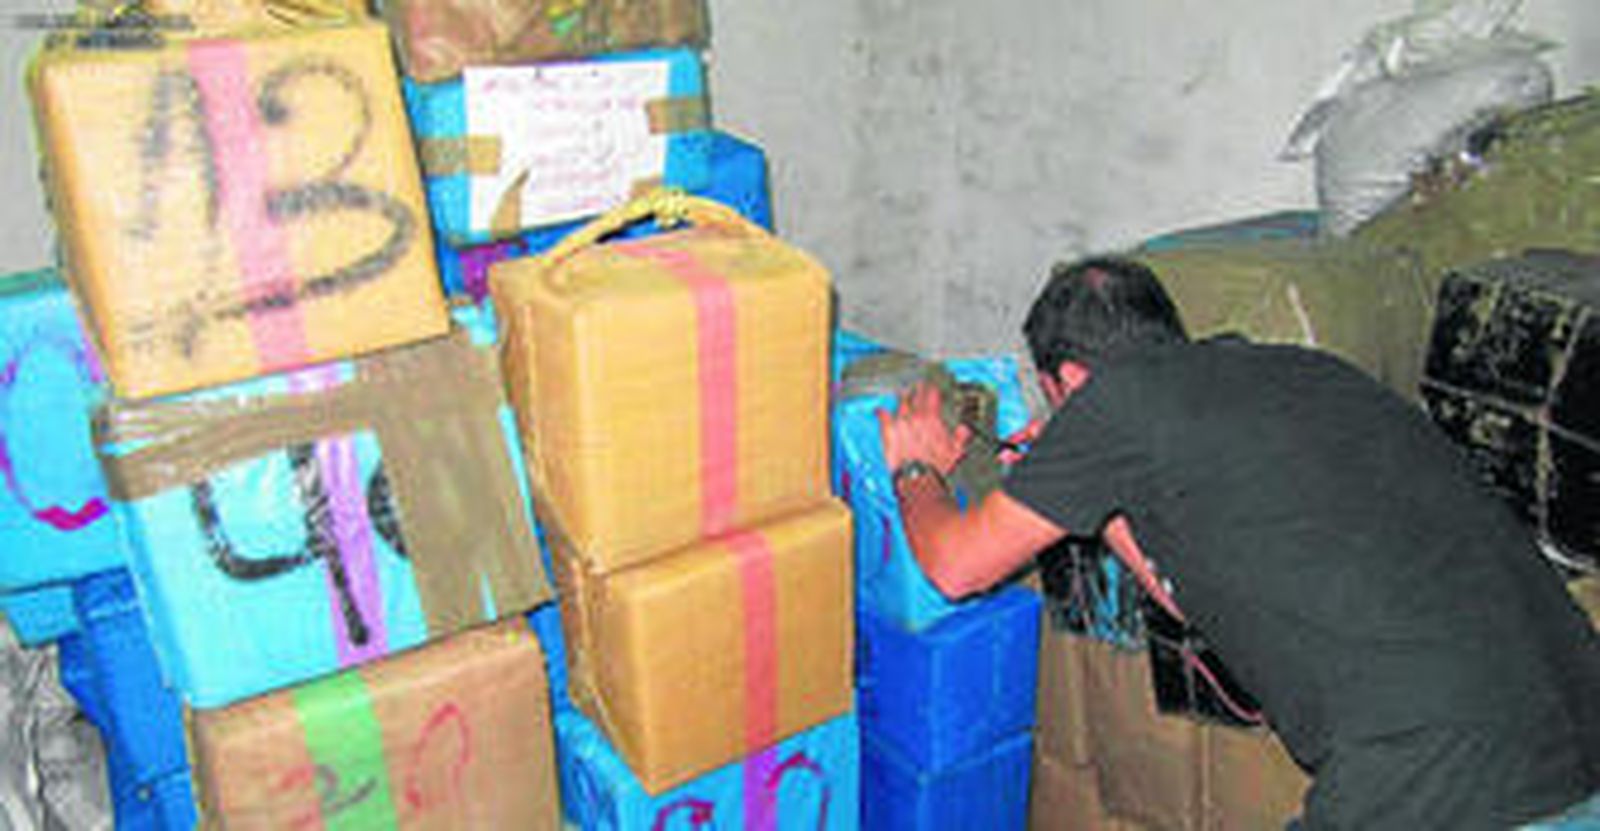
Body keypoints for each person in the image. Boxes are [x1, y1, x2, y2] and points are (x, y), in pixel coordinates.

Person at [878, 256, 1600, 830]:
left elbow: (955, 566)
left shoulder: (1115, 402)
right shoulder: (1309, 373)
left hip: (1439, 774)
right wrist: (1090, 497)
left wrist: (915, 466)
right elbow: (1191, 596)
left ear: (1065, 381)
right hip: (1576, 733)